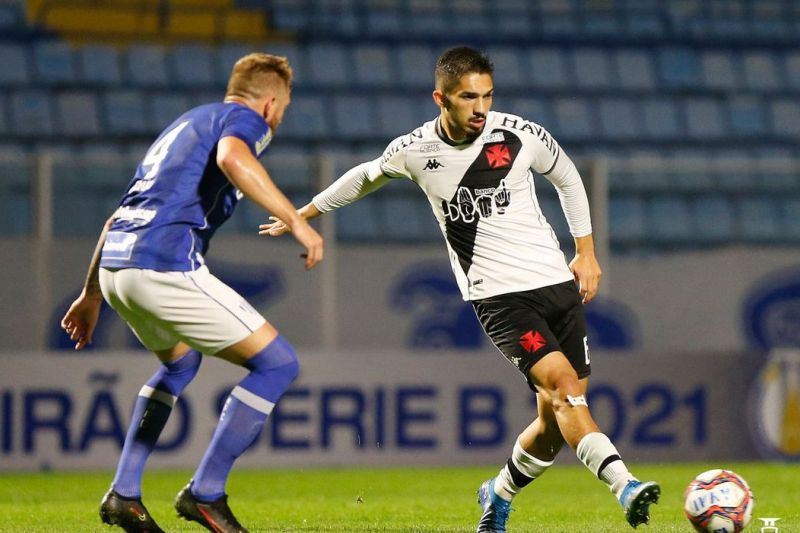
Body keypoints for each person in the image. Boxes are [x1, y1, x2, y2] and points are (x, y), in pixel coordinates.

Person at [262, 46, 660, 532]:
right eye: (468, 97)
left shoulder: (519, 135)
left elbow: (568, 177)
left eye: (487, 96)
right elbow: (364, 177)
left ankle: (498, 492)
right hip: (498, 297)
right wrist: (302, 214)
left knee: (554, 426)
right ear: (441, 98)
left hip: (556, 283)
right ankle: (626, 484)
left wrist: (586, 251)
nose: (480, 108)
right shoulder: (416, 151)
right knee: (565, 389)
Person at [60, 53, 323, 533]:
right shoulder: (243, 121)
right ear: (269, 104)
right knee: (278, 364)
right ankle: (206, 494)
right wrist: (298, 222)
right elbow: (232, 158)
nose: (279, 118)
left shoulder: (185, 124)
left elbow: (118, 214)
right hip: (162, 263)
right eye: (282, 108)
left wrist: (92, 294)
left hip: (118, 265)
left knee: (180, 363)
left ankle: (124, 493)